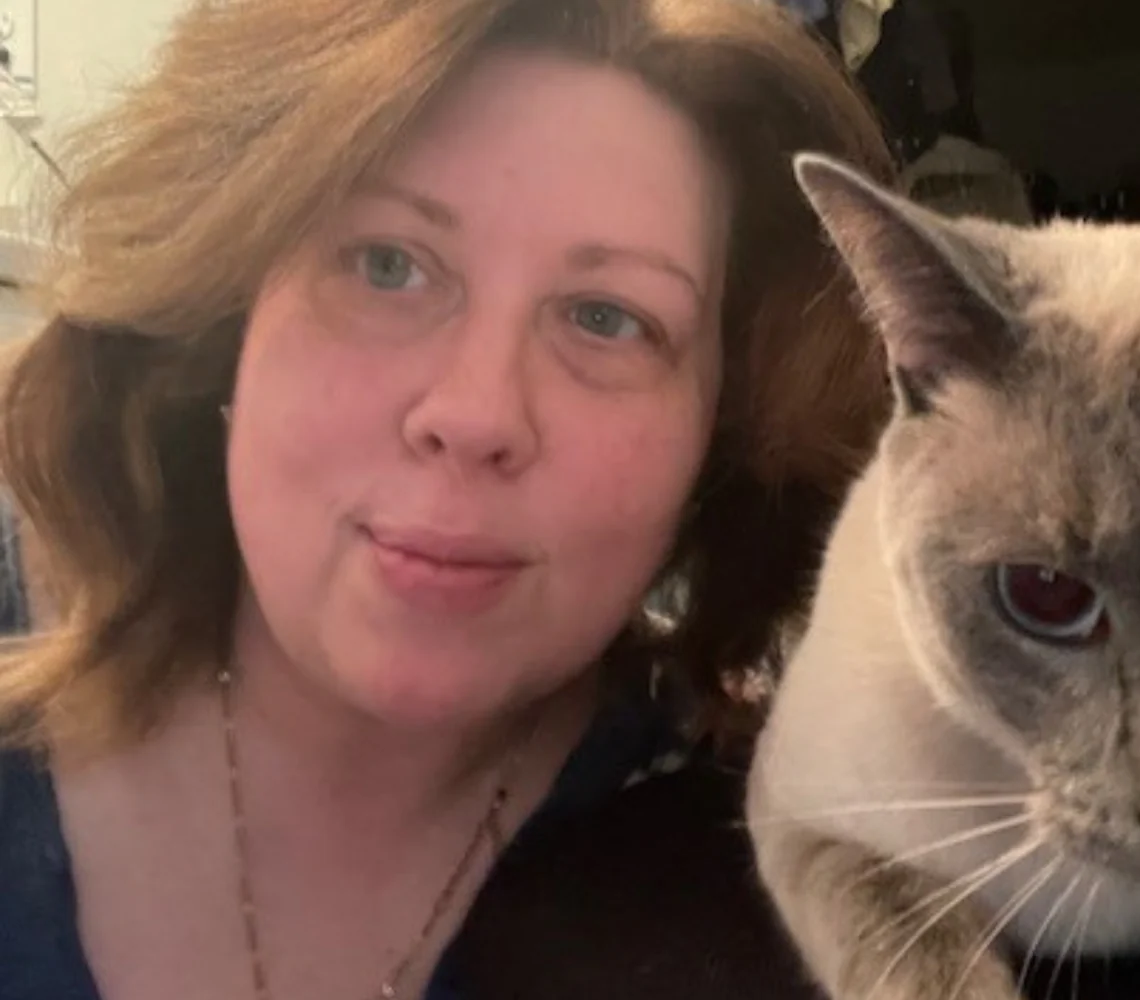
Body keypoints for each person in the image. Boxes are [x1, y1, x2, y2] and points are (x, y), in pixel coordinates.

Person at [0, 1, 893, 998]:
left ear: (725, 435)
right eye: (387, 265)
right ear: (227, 315)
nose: (475, 414)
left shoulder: (779, 890)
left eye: (606, 319)